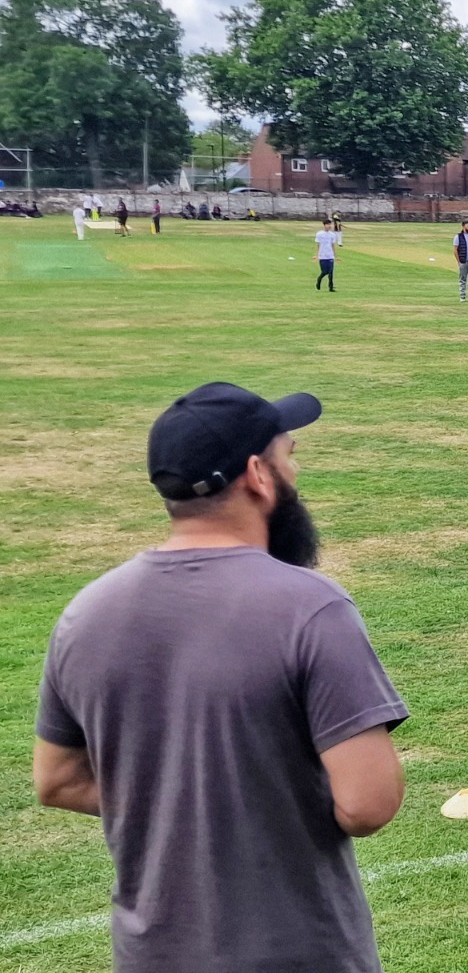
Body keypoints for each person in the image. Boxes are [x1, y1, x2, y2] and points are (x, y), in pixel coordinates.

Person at [32, 382, 408, 973]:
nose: (297, 469)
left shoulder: (86, 612)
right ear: (258, 475)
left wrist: (179, 807)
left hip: (150, 954)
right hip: (298, 955)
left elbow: (56, 781)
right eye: (289, 455)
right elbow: (368, 804)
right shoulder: (311, 608)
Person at [314, 219, 339, 292]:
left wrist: (335, 256)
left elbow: (333, 245)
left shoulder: (332, 235)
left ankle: (331, 287)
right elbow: (318, 245)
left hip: (330, 256)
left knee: (331, 272)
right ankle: (319, 280)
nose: (329, 226)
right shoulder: (319, 234)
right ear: (324, 225)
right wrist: (317, 255)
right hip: (322, 256)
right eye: (328, 224)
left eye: (330, 224)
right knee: (324, 272)